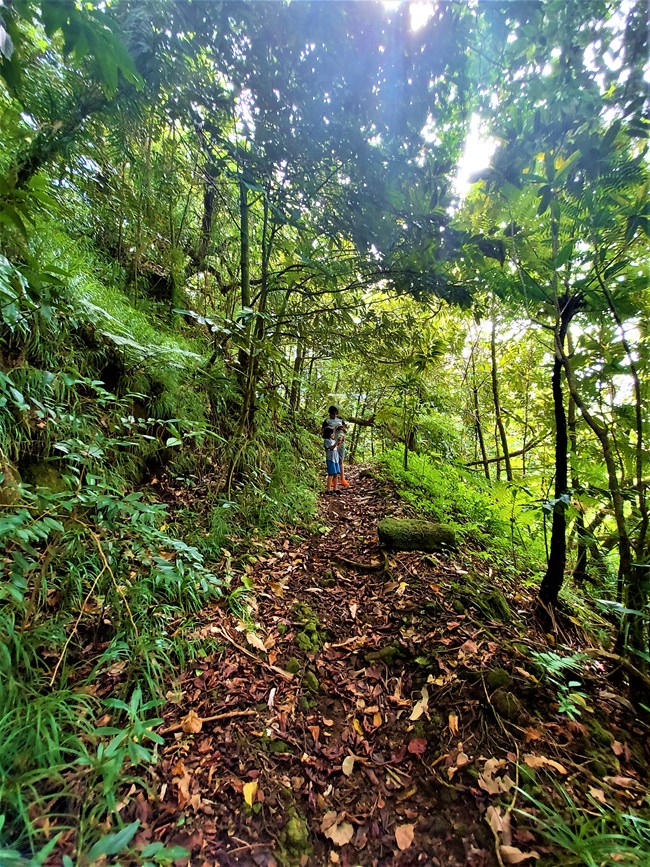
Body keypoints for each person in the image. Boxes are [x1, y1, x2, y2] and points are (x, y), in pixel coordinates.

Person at [324, 406, 350, 487]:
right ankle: (331, 480)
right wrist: (334, 428)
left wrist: (342, 428)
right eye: (333, 414)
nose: (334, 415)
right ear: (330, 413)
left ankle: (342, 479)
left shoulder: (340, 420)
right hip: (331, 442)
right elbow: (324, 431)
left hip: (340, 441)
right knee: (332, 461)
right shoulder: (327, 421)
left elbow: (346, 430)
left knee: (340, 460)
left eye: (336, 414)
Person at [323, 425, 341, 494]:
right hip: (330, 459)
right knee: (331, 474)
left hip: (336, 459)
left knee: (336, 474)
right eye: (332, 433)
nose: (333, 434)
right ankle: (328, 489)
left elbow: (337, 449)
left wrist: (340, 443)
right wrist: (337, 442)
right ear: (328, 434)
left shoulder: (333, 441)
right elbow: (331, 448)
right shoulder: (326, 441)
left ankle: (335, 488)